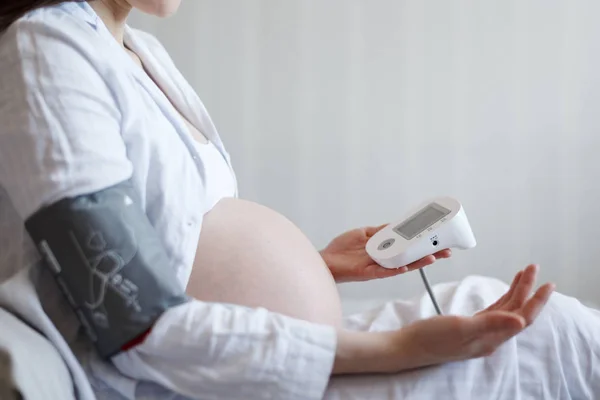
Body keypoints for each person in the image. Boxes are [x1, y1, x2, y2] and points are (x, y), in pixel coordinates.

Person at [0, 1, 597, 399]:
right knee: (550, 343)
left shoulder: (140, 52)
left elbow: (177, 244)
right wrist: (396, 348)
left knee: (550, 323)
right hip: (187, 381)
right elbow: (129, 319)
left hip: (254, 363)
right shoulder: (45, 47)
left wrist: (316, 266)